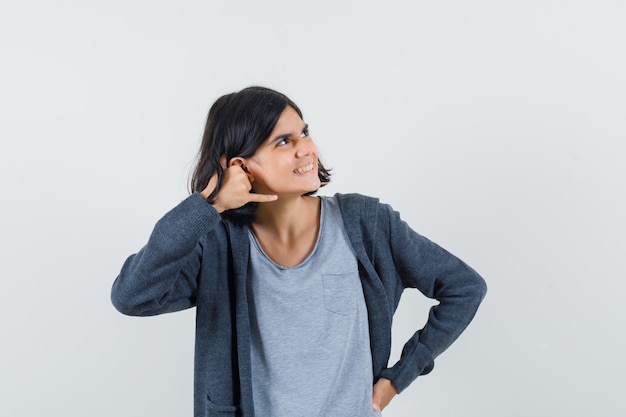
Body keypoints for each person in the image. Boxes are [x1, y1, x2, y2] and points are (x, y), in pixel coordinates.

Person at [111, 86, 487, 417]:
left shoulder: (366, 224)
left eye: (303, 132)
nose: (306, 148)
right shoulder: (216, 244)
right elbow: (132, 296)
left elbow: (464, 287)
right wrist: (207, 206)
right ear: (241, 167)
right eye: (283, 142)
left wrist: (398, 377)